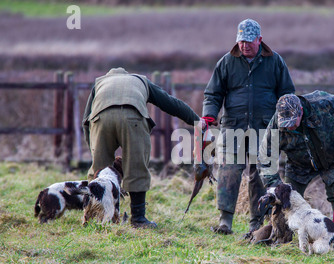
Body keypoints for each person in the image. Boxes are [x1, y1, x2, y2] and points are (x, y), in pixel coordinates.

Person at [202, 19, 295, 234]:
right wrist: (209, 114)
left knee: (260, 176)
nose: (244, 46)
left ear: (259, 40)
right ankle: (225, 221)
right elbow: (213, 93)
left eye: (248, 42)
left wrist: (285, 122)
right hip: (233, 127)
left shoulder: (275, 62)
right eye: (241, 41)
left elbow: (287, 94)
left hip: (265, 129)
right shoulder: (226, 62)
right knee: (228, 172)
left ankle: (257, 223)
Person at [83, 67, 203, 229]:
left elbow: (86, 120)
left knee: (99, 169)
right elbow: (170, 103)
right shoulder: (140, 80)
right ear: (127, 75)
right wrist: (196, 121)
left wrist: (93, 148)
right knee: (136, 166)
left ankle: (95, 216)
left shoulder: (99, 82)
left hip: (101, 119)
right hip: (132, 118)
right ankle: (138, 219)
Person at [258, 93, 334, 247]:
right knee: (286, 199)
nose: (289, 127)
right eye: (285, 123)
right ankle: (284, 242)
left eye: (292, 122)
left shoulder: (323, 104)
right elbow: (266, 157)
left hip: (332, 157)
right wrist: (276, 186)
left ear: (300, 110)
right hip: (298, 164)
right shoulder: (276, 126)